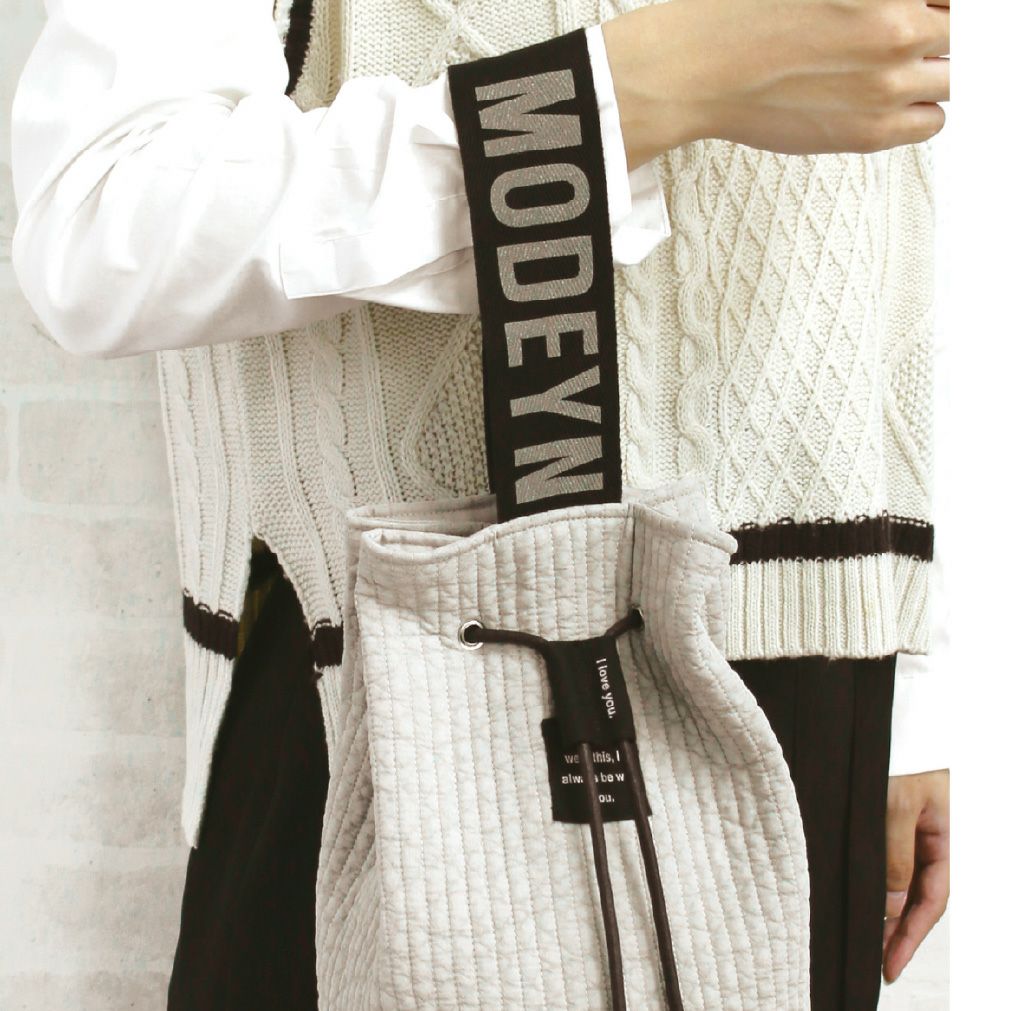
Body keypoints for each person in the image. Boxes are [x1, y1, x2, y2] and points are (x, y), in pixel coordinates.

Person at [10, 0, 950, 1008]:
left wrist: (928, 690)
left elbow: (905, 212)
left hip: (824, 681)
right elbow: (100, 226)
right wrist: (609, 102)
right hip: (392, 672)